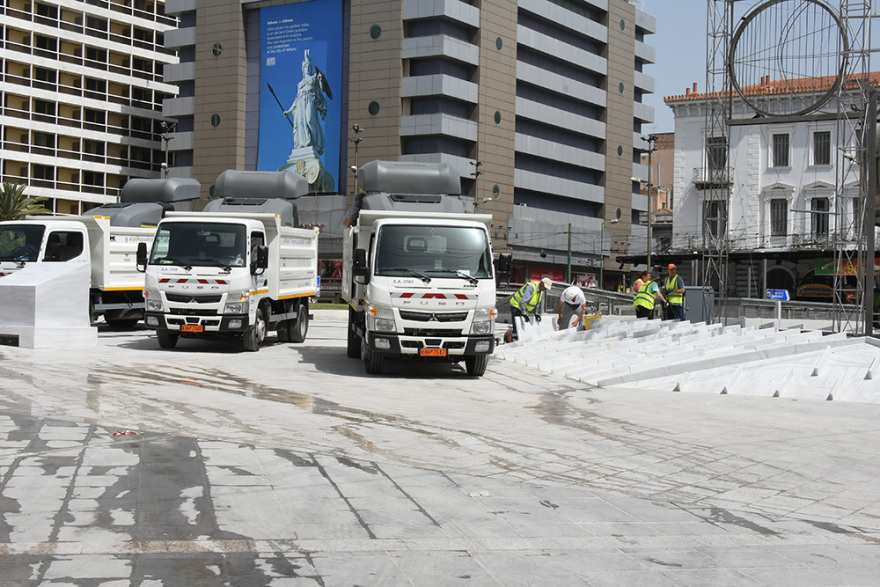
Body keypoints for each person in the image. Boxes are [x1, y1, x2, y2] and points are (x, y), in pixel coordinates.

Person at [284, 50, 332, 155]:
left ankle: (315, 144)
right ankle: (304, 143)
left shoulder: (314, 78)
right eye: (306, 67)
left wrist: (320, 79)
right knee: (301, 122)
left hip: (310, 101)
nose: (308, 68)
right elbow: (296, 99)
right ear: (303, 69)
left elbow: (323, 88)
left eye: (309, 67)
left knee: (310, 120)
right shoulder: (300, 84)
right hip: (300, 103)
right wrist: (289, 111)